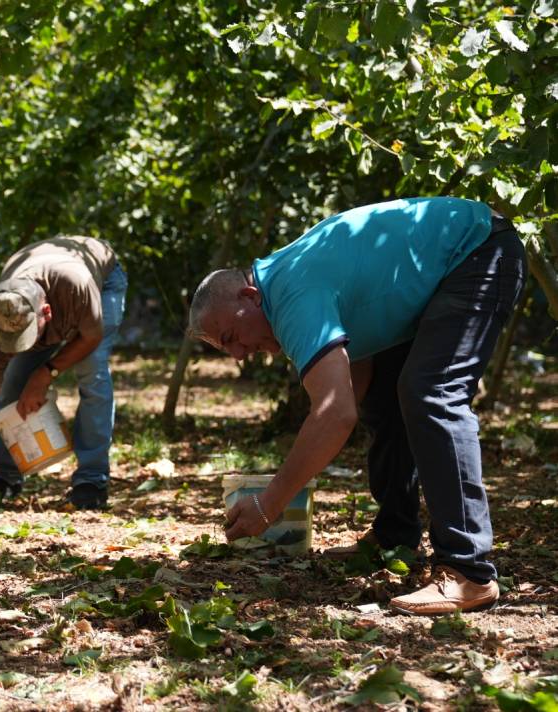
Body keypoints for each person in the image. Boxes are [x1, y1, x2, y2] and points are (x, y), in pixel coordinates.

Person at [189, 197, 525, 615]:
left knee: (431, 393)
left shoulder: (290, 296)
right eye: (226, 350)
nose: (239, 354)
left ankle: (469, 571)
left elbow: (334, 413)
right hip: (450, 263)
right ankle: (395, 537)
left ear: (249, 295)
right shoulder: (285, 283)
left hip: (476, 251)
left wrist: (270, 502)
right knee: (386, 404)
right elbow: (354, 387)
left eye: (231, 336)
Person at [0, 236, 128, 512]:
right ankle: (7, 476)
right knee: (13, 382)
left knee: (93, 373)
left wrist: (45, 373)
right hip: (44, 277)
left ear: (47, 313)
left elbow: (90, 338)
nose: (24, 346)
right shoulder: (1, 320)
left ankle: (91, 481)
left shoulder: (76, 286)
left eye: (28, 337)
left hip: (101, 278)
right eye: (14, 340)